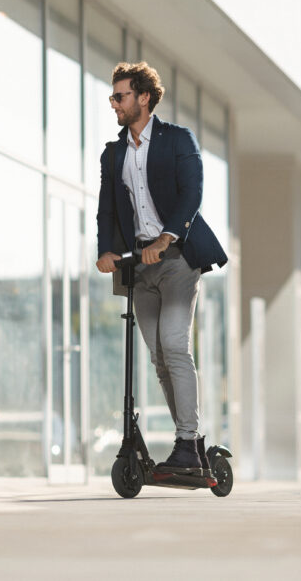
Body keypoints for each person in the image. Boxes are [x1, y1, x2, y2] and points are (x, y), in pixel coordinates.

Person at [96, 61, 228, 473]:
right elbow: (106, 210)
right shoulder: (114, 152)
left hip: (175, 261)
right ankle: (189, 442)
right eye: (113, 96)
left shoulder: (176, 141)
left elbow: (192, 194)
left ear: (144, 98)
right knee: (158, 358)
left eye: (121, 96)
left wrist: (167, 237)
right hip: (138, 265)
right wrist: (105, 250)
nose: (114, 103)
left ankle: (188, 440)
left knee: (174, 345)